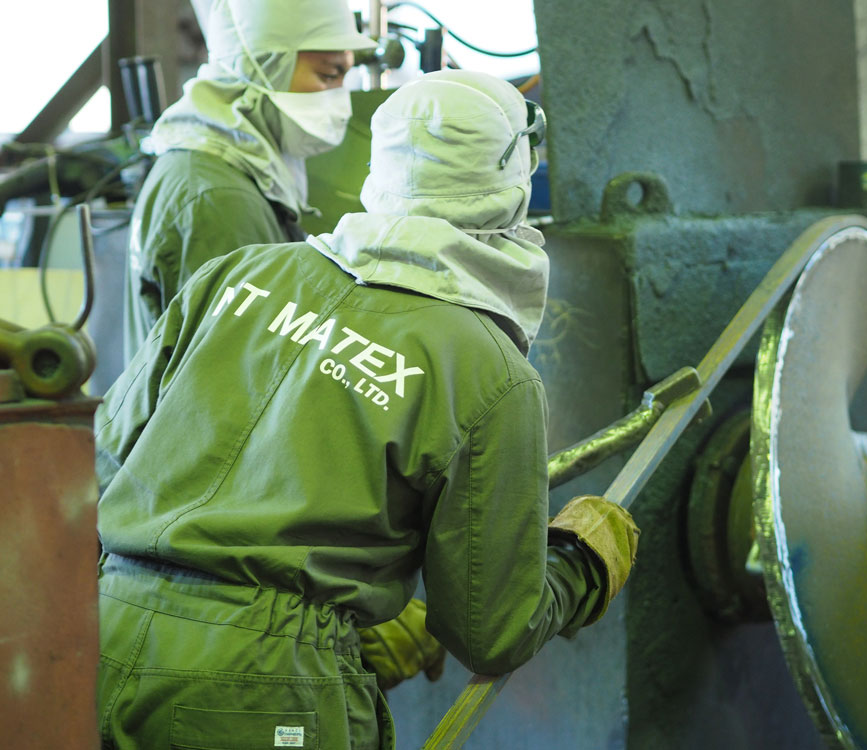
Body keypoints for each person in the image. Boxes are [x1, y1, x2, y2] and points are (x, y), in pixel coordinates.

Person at [94, 69, 639, 749]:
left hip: (103, 640)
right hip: (261, 692)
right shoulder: (492, 373)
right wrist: (580, 564)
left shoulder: (236, 275)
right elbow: (494, 630)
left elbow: (105, 459)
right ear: (510, 185)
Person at [122, 0, 377, 364]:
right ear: (264, 66)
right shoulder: (219, 198)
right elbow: (237, 370)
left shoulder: (219, 167)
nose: (340, 99)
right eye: (327, 75)